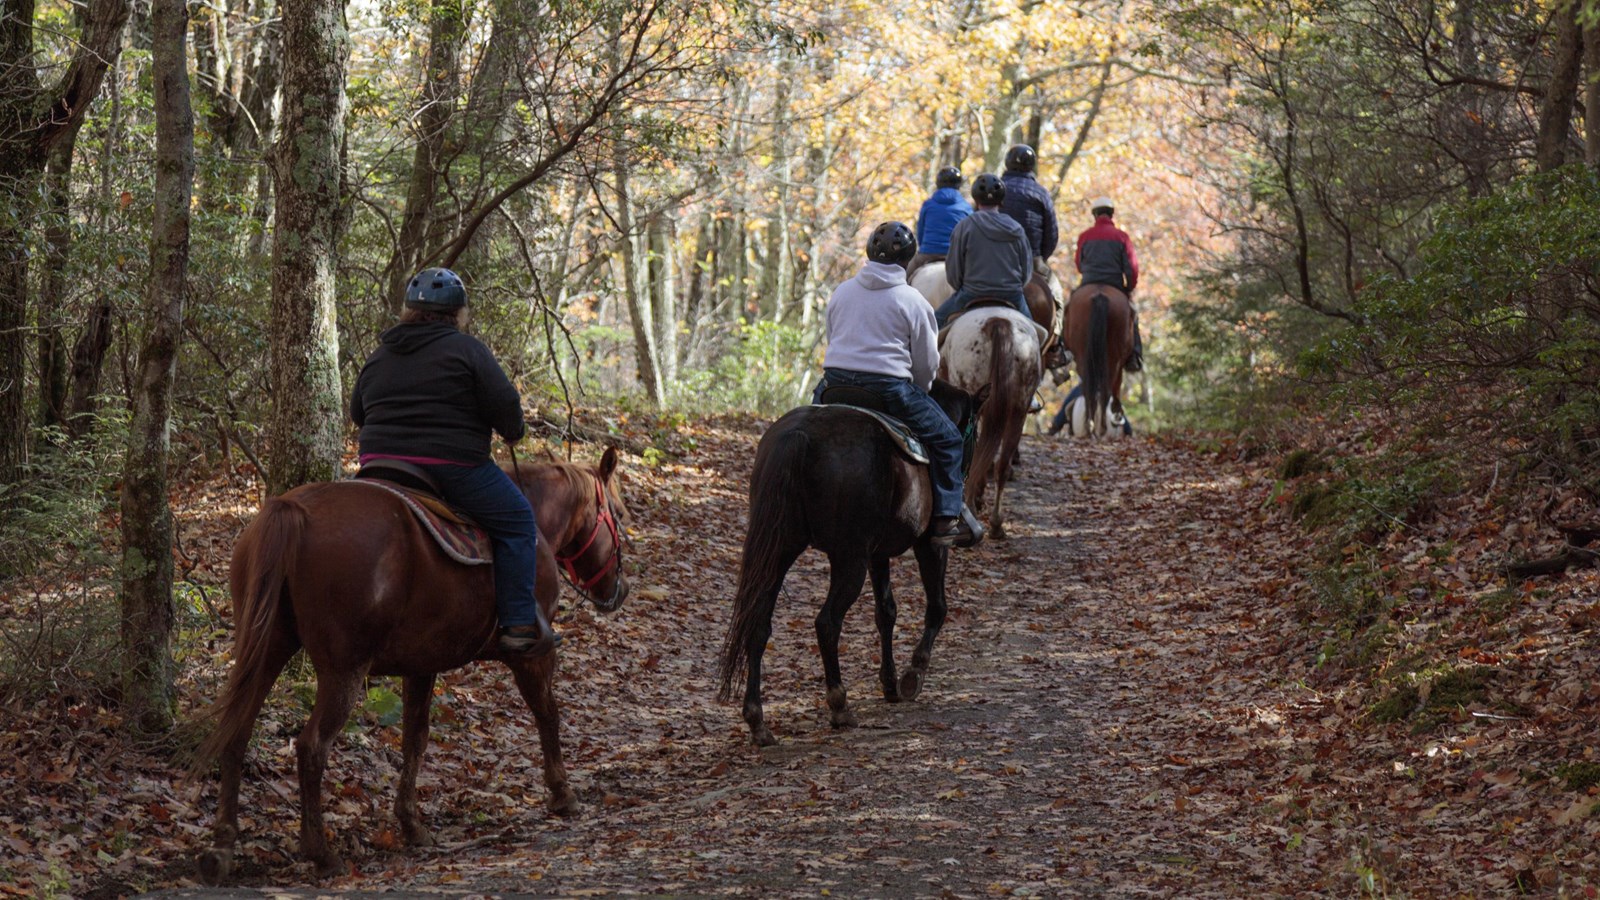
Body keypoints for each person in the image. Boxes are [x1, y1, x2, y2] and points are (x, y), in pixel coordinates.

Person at [350, 267, 561, 657]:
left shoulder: (379, 355)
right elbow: (506, 407)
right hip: (451, 468)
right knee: (517, 520)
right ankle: (518, 625)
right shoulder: (468, 350)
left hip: (377, 467)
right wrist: (513, 431)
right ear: (458, 314)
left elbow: (358, 413)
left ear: (408, 311)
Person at [813, 222, 983, 548]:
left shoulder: (843, 291)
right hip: (887, 389)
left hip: (833, 384)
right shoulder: (912, 300)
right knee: (948, 439)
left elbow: (833, 337)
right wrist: (921, 387)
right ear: (908, 259)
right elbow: (926, 363)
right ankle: (947, 518)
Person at [936, 173, 1032, 328]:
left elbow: (953, 271)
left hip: (972, 293)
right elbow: (1026, 272)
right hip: (1012, 294)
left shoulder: (964, 226)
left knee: (935, 321)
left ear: (976, 199)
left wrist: (963, 287)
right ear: (1001, 200)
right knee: (1036, 334)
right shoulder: (1016, 228)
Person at [1075, 196, 1144, 371]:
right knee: (1133, 314)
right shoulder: (1122, 237)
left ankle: (1063, 349)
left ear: (1094, 215)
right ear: (1111, 215)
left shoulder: (1085, 236)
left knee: (1069, 307)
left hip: (1088, 281)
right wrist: (1128, 288)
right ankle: (1135, 355)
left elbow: (1079, 264)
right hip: (1115, 284)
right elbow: (1132, 268)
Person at [998, 144, 1061, 306]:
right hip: (1031, 259)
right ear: (1031, 165)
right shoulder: (1041, 193)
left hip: (995, 257)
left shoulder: (995, 188)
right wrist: (1040, 258)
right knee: (1056, 293)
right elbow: (1051, 234)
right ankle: (1058, 330)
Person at [906, 166, 971, 285]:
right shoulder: (966, 207)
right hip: (955, 256)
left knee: (901, 280)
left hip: (928, 253)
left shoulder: (928, 204)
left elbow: (920, 233)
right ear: (959, 184)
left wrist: (924, 247)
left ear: (938, 183)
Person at [1047, 382, 1134, 437]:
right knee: (1115, 404)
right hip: (1102, 384)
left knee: (1070, 401)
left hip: (1089, 384)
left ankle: (1056, 426)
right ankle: (1128, 430)